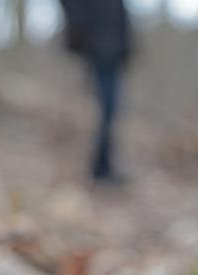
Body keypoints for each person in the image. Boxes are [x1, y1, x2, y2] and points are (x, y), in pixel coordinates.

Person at [59, 0, 131, 184]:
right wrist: (81, 37)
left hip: (112, 51)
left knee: (109, 112)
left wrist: (126, 49)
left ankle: (102, 168)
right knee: (98, 111)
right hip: (96, 49)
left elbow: (120, 17)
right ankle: (90, 170)